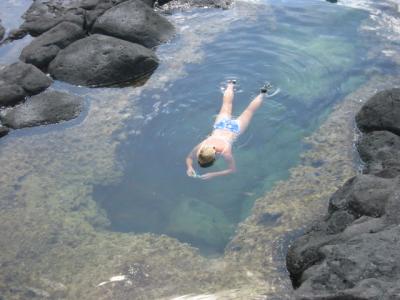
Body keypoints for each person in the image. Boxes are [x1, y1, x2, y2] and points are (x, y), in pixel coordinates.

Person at [186, 80, 272, 180]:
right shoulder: (203, 144)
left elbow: (232, 170)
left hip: (235, 129)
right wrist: (189, 167)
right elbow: (189, 158)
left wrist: (213, 174)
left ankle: (262, 94)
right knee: (227, 104)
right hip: (220, 125)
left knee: (249, 111)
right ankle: (231, 84)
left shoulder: (225, 152)